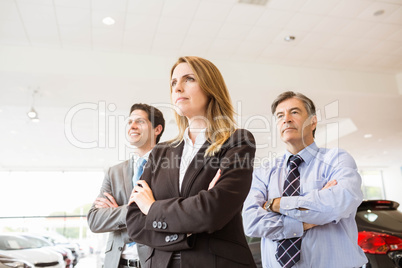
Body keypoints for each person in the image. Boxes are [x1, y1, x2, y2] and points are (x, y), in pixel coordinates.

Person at [126, 56, 257, 268]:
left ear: (210, 87)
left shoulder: (238, 141)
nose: (178, 88)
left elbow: (212, 211)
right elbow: (134, 222)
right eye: (173, 83)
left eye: (189, 79)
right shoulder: (160, 151)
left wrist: (152, 209)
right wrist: (188, 227)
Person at [243, 91, 368, 268]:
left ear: (313, 121)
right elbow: (252, 222)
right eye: (280, 115)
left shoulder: (336, 159)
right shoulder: (263, 172)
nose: (286, 119)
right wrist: (307, 220)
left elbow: (341, 200)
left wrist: (275, 205)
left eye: (294, 112)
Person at [87, 103, 165, 268]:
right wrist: (134, 210)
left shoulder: (170, 169)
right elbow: (94, 220)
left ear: (157, 130)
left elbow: (165, 216)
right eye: (130, 122)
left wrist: (114, 211)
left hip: (154, 262)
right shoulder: (114, 172)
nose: (132, 126)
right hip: (116, 263)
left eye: (140, 122)